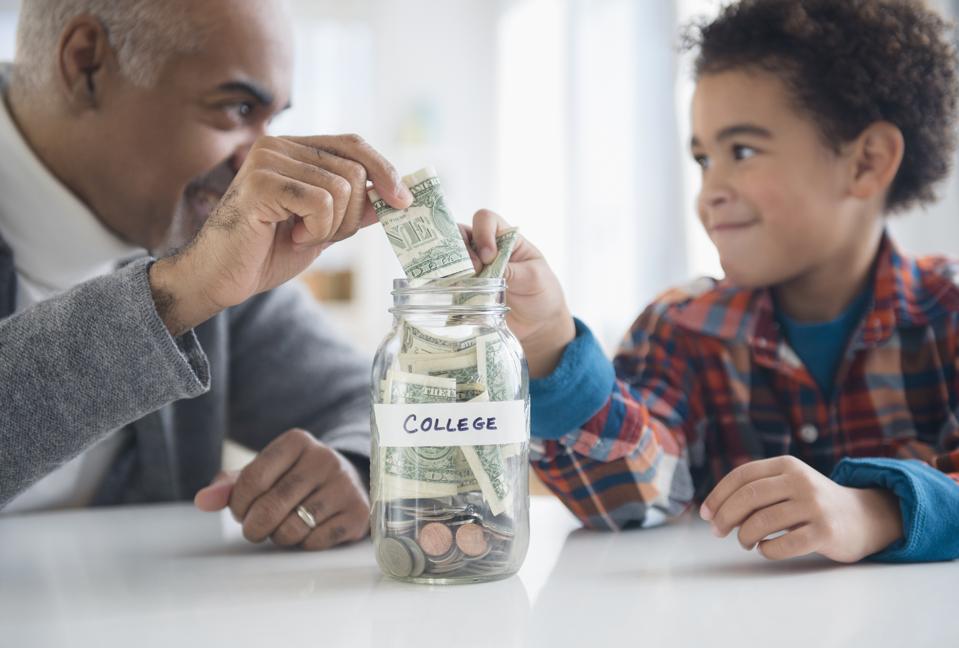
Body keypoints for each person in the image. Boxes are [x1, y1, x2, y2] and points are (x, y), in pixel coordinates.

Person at [465, 0, 959, 562]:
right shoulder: (679, 328)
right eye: (703, 158)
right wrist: (551, 342)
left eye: (742, 151)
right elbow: (629, 498)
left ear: (867, 162)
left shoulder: (950, 314)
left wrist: (881, 510)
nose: (709, 192)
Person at [0, 0, 414, 552]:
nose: (259, 162)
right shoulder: (194, 265)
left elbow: (381, 404)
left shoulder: (191, 236)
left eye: (274, 121)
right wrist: (176, 295)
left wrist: (355, 467)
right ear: (87, 65)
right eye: (237, 107)